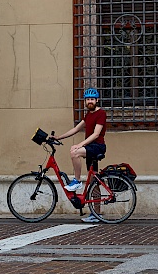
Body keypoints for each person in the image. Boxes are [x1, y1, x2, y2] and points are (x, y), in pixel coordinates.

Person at [55, 87, 106, 222]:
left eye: (92, 99)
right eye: (88, 99)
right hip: (90, 147)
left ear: (97, 100)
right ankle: (96, 214)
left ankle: (77, 181)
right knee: (94, 181)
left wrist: (81, 144)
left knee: (75, 152)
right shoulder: (88, 115)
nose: (90, 101)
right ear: (85, 101)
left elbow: (96, 134)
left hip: (97, 147)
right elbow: (76, 129)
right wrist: (59, 138)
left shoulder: (101, 113)